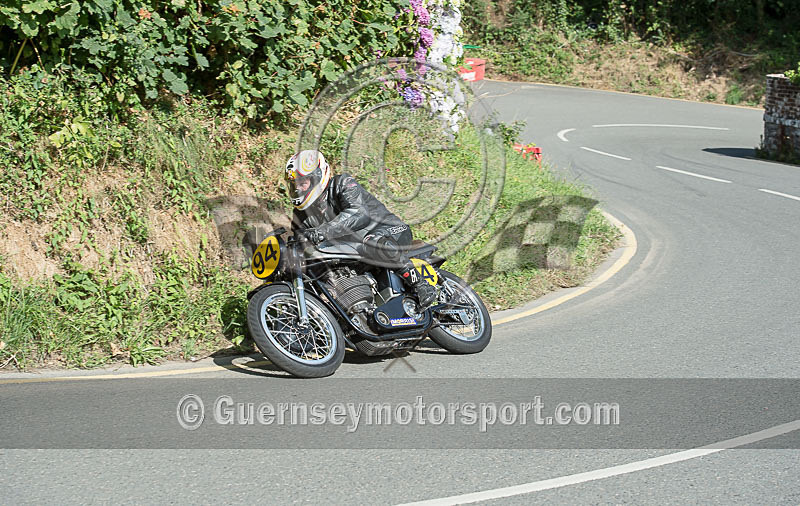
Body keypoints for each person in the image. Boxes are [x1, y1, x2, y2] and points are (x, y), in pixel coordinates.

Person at [285, 149, 437, 308]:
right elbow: (300, 244)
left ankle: (420, 284)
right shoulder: (301, 214)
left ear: (317, 176)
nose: (299, 189)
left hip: (389, 230)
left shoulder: (342, 183)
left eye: (303, 183)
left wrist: (322, 231)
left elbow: (358, 213)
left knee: (373, 242)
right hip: (356, 252)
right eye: (294, 184)